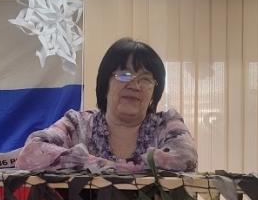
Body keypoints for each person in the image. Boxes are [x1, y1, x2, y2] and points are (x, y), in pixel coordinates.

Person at [15, 38, 198, 172]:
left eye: (145, 79)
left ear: (154, 91)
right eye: (124, 75)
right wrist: (99, 164)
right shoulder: (78, 124)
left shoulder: (167, 124)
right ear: (105, 84)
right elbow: (31, 153)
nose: (135, 85)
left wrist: (115, 169)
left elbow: (185, 157)